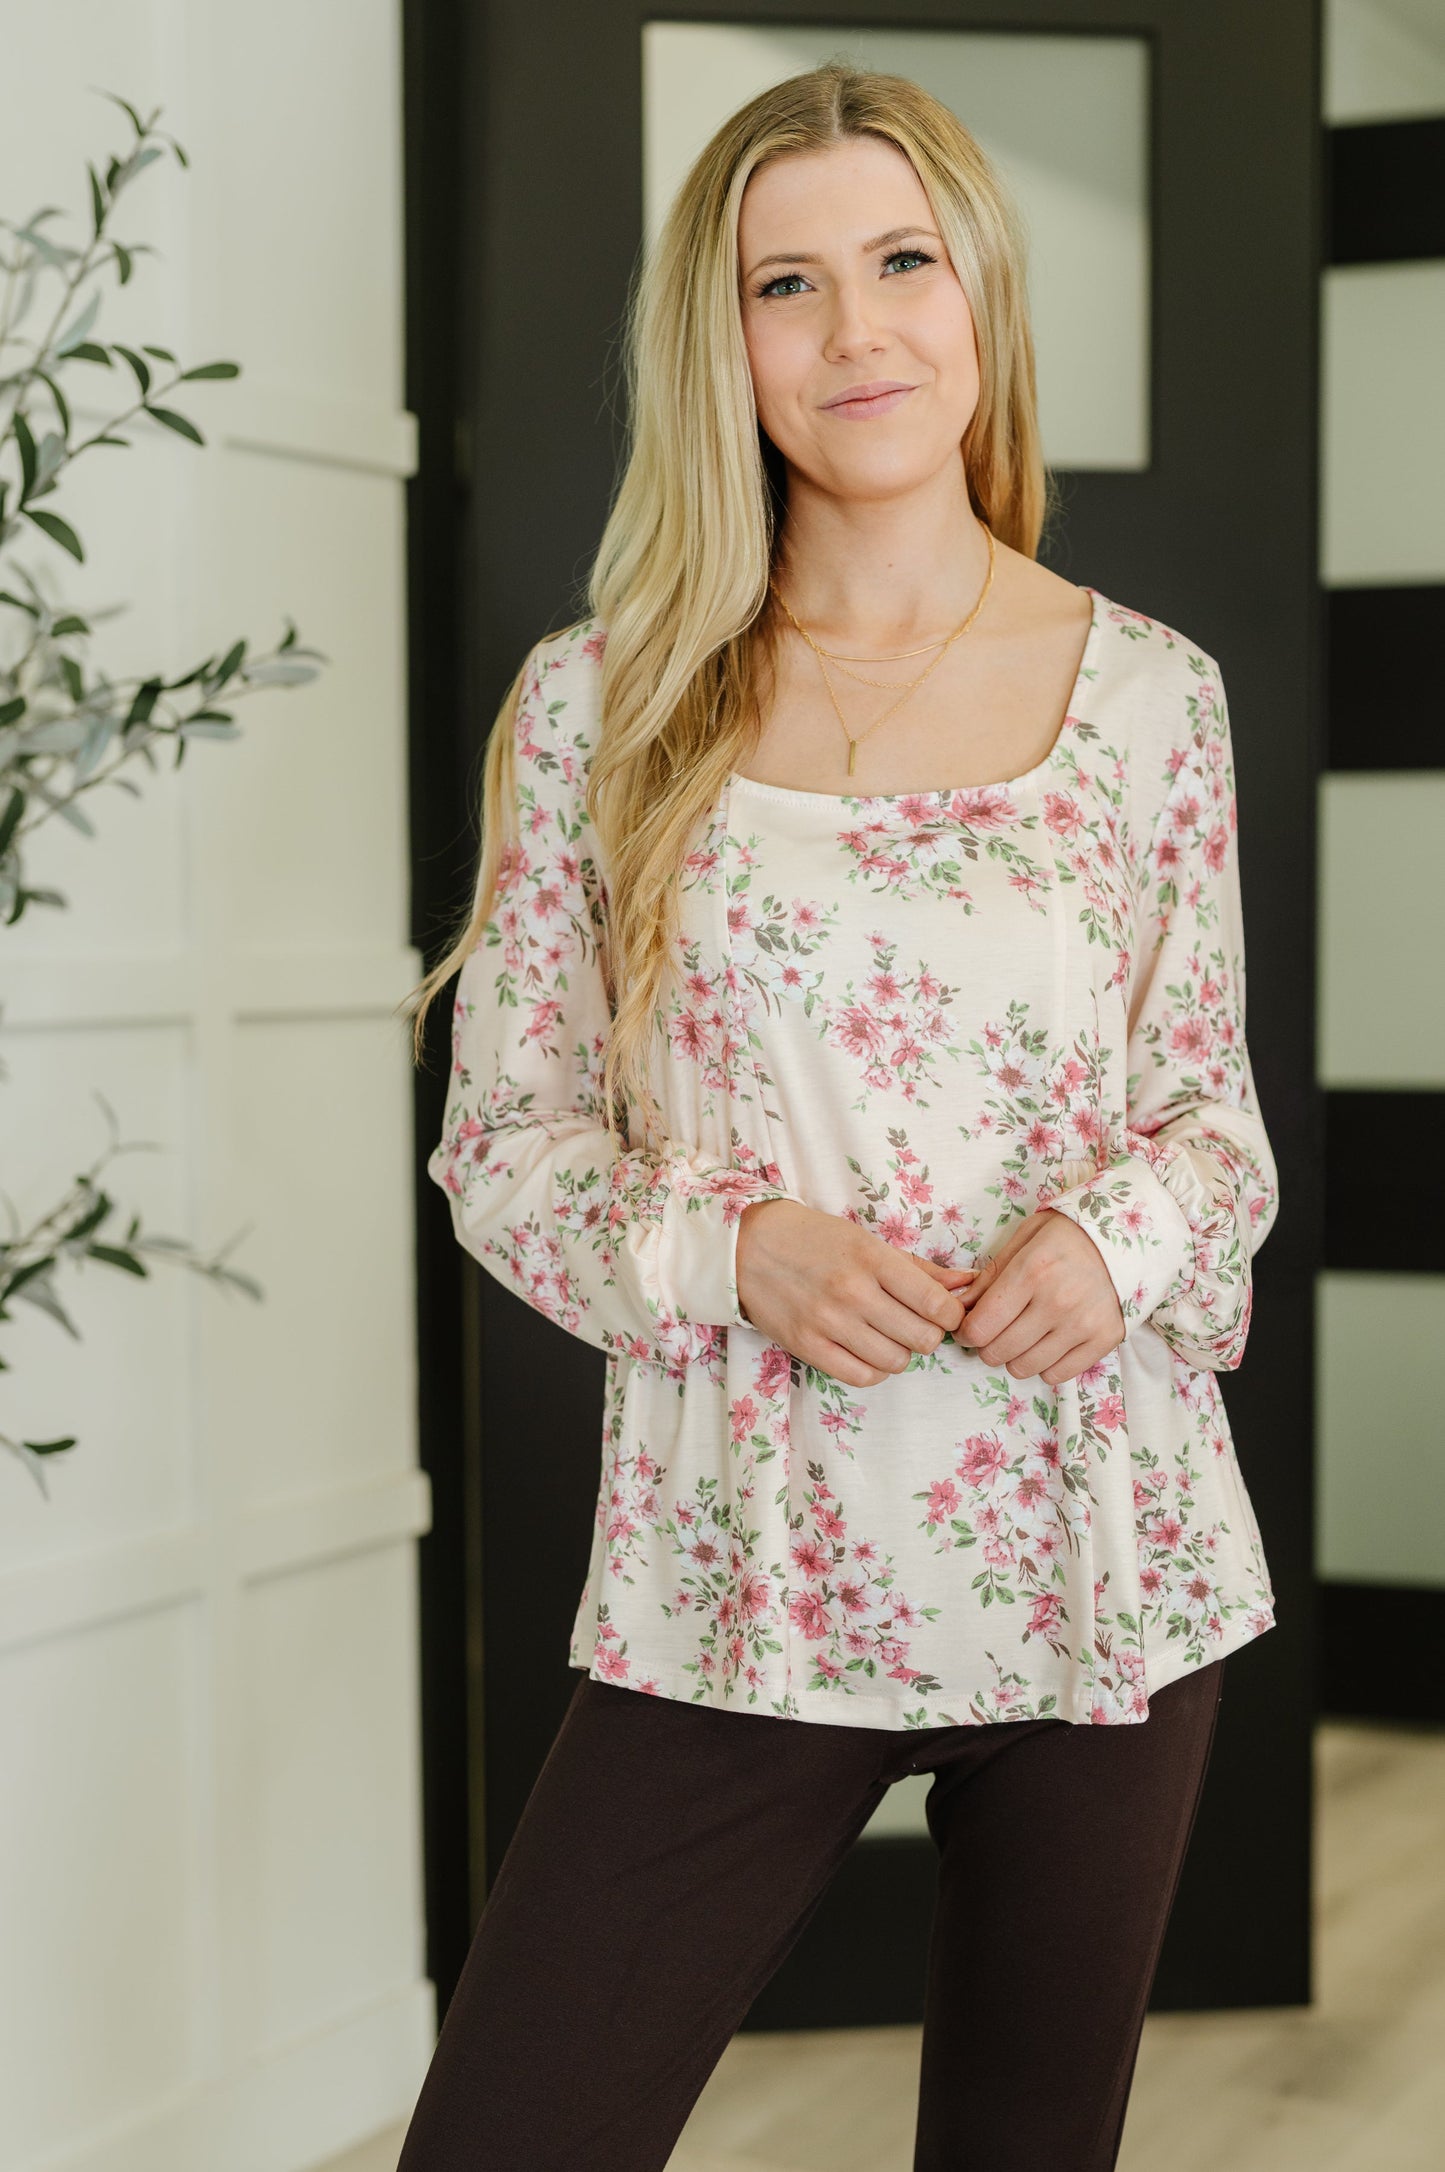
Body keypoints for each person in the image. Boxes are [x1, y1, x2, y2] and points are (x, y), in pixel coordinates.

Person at [398, 59, 1280, 2172]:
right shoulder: (599, 702)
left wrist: (1117, 1246)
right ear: (726, 342)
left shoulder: (1149, 694)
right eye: (786, 283)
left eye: (900, 263)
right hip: (742, 1567)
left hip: (1105, 1565)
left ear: (979, 297)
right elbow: (502, 1145)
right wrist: (734, 1255)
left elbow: (1211, 1128)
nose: (855, 327)